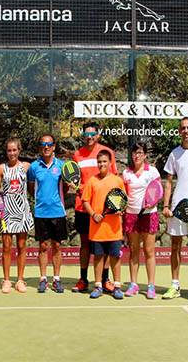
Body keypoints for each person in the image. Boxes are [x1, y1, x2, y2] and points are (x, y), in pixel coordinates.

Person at [72, 121, 118, 294]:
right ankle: (83, 279)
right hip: (83, 208)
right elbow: (75, 180)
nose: (89, 138)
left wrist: (113, 205)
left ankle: (105, 280)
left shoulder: (108, 153)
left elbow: (114, 180)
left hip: (103, 209)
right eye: (86, 135)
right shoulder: (77, 155)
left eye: (93, 134)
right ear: (83, 136)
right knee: (85, 245)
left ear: (98, 135)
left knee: (104, 245)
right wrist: (73, 186)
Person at [162, 117, 188, 299]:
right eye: (182, 128)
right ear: (179, 132)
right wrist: (166, 205)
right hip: (177, 206)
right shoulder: (174, 154)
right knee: (175, 246)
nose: (186, 131)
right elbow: (169, 182)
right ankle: (175, 286)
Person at [82, 150, 126, 299]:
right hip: (97, 229)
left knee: (115, 257)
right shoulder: (92, 181)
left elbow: (122, 200)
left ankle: (117, 286)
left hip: (113, 229)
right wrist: (93, 214)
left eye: (104, 161)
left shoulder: (117, 180)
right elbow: (85, 201)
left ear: (110, 162)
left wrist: (120, 210)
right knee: (99, 257)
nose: (101, 164)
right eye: (99, 162)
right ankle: (98, 285)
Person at [0, 137, 34, 293]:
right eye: (9, 150)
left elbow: (34, 185)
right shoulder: (0, 169)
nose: (12, 153)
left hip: (22, 209)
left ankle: (20, 280)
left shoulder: (26, 167)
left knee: (22, 246)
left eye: (14, 150)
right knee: (6, 247)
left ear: (19, 150)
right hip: (6, 211)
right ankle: (7, 280)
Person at [27, 134, 67, 293]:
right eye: (43, 144)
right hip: (40, 213)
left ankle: (56, 279)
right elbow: (31, 188)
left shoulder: (62, 166)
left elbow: (65, 188)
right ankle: (43, 278)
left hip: (58, 212)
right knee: (43, 246)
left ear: (54, 146)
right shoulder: (33, 167)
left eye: (49, 144)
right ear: (39, 147)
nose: (46, 147)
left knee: (57, 246)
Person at [121, 142, 161, 299]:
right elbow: (124, 195)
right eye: (134, 153)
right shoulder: (126, 173)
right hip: (131, 216)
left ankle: (151, 286)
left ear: (145, 155)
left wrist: (154, 202)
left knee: (150, 251)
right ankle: (133, 284)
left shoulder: (152, 171)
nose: (137, 156)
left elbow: (157, 190)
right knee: (134, 251)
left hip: (149, 215)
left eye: (140, 153)